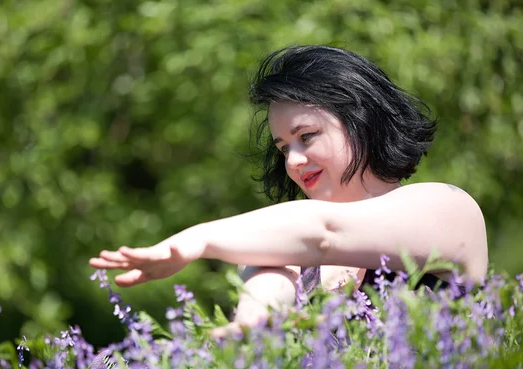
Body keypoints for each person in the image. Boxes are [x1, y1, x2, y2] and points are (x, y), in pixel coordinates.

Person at [89, 45, 488, 337]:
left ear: (362, 120)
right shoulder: (289, 241)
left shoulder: (449, 207)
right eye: (284, 148)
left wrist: (197, 240)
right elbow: (271, 280)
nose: (293, 161)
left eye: (307, 136)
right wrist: (251, 324)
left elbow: (325, 233)